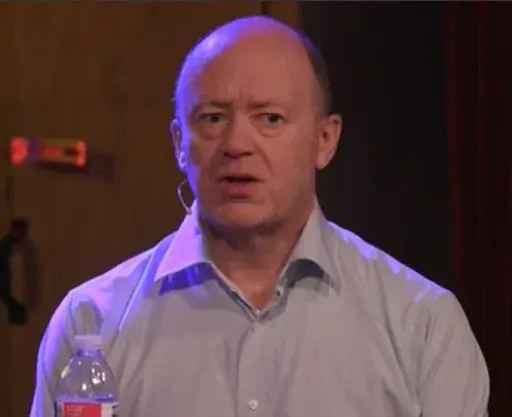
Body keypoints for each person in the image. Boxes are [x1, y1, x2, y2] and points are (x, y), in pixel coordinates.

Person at [30, 16, 489, 417]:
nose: (236, 144)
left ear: (325, 140)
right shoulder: (91, 323)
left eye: (269, 119)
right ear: (179, 144)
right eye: (212, 118)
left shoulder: (421, 324)